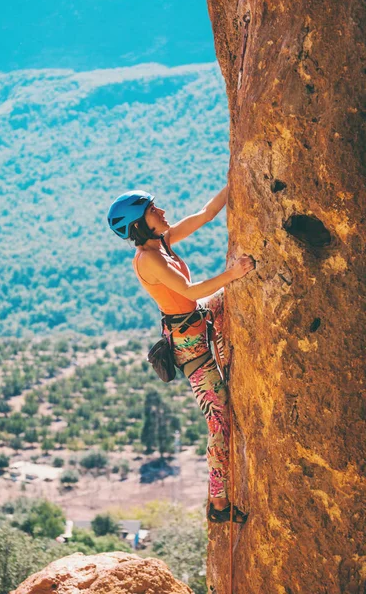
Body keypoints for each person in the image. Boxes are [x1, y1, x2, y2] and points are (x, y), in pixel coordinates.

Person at [107, 189, 255, 523]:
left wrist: (235, 182)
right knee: (219, 423)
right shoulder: (149, 260)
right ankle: (218, 503)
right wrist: (234, 273)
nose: (160, 211)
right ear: (138, 225)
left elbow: (205, 214)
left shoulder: (163, 242)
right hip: (190, 347)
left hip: (198, 317)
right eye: (151, 209)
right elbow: (188, 291)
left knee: (232, 294)